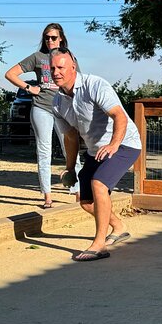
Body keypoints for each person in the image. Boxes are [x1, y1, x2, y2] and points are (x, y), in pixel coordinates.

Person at [49, 47, 142, 262]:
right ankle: (119, 227)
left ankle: (99, 245)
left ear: (73, 67)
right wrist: (69, 168)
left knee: (99, 184)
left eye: (61, 67)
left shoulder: (95, 85)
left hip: (124, 144)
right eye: (52, 68)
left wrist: (114, 144)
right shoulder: (57, 102)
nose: (56, 72)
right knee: (86, 201)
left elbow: (119, 116)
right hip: (96, 150)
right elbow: (70, 137)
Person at [5, 23, 82, 208]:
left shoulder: (69, 57)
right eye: (47, 37)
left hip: (63, 109)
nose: (50, 40)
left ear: (61, 38)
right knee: (44, 151)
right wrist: (29, 88)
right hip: (41, 108)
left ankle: (78, 192)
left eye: (53, 37)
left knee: (70, 150)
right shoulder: (37, 57)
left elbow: (77, 81)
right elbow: (10, 74)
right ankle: (47, 197)